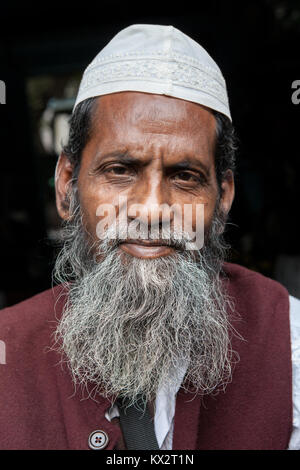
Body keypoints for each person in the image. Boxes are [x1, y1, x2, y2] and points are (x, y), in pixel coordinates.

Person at [0, 24, 299, 451]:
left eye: (184, 176)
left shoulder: (288, 344)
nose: (152, 208)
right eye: (120, 170)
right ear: (67, 185)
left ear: (223, 198)